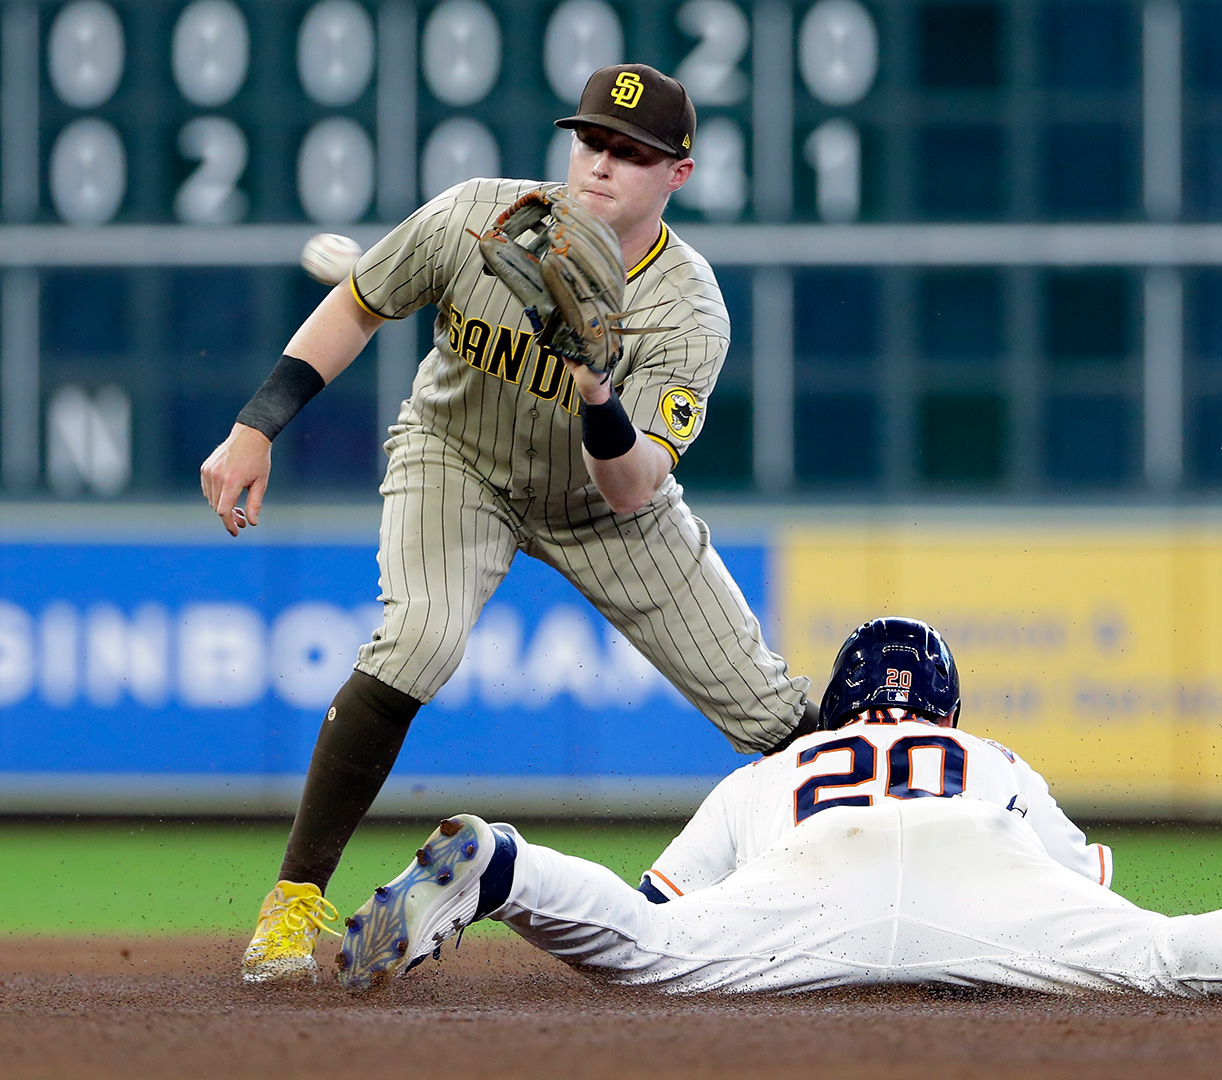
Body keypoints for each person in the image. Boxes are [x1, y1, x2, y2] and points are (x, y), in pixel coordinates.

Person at [202, 64, 818, 986]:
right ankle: (290, 910)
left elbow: (630, 485)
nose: (602, 166)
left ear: (676, 175)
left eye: (632, 153)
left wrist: (596, 384)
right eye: (593, 143)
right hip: (458, 461)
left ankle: (877, 886)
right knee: (417, 641)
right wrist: (254, 428)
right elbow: (358, 302)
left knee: (776, 718)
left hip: (605, 510)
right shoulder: (476, 215)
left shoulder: (687, 308)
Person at [332, 617, 1222, 1001]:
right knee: (1164, 952)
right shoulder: (992, 754)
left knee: (646, 952)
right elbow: (1088, 889)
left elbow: (654, 906)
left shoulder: (766, 774)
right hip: (985, 869)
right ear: (945, 708)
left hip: (808, 881)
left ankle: (504, 871)